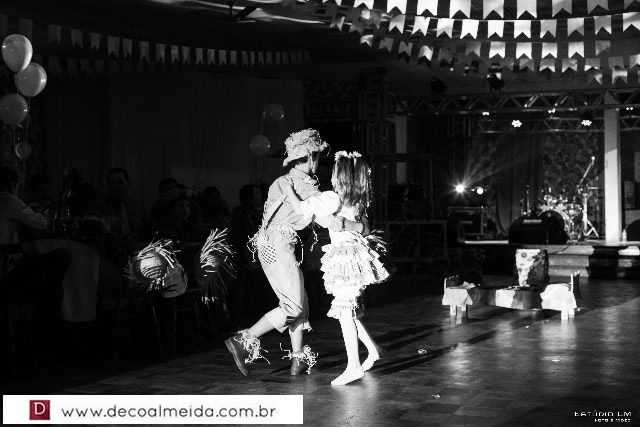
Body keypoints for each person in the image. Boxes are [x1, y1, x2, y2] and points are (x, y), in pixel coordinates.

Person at [224, 129, 368, 377]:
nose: (319, 161)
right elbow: (326, 220)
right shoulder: (302, 184)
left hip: (274, 244)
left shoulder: (285, 181)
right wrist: (358, 227)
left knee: (299, 303)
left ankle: (298, 358)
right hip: (278, 246)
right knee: (293, 306)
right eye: (318, 156)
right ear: (311, 157)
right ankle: (243, 339)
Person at [283, 151, 391, 385]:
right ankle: (373, 349)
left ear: (339, 177)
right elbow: (363, 228)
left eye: (333, 172)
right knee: (349, 310)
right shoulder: (357, 201)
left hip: (346, 259)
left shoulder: (333, 198)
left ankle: (353, 366)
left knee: (344, 311)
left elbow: (301, 208)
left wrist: (288, 188)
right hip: (354, 257)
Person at [0, 165, 71, 322]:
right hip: (5, 275)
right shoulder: (8, 199)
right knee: (62, 257)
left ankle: (32, 328)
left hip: (9, 266)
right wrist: (45, 212)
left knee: (54, 288)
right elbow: (42, 224)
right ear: (12, 185)